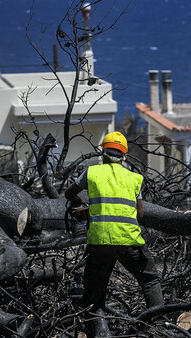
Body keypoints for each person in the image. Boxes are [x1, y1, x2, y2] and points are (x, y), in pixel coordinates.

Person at [65, 131, 164, 331]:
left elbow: (69, 193)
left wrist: (80, 203)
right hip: (129, 240)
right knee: (150, 280)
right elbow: (140, 214)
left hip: (99, 242)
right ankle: (160, 327)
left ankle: (95, 331)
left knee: (94, 292)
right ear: (124, 155)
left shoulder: (92, 172)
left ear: (103, 153)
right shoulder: (134, 178)